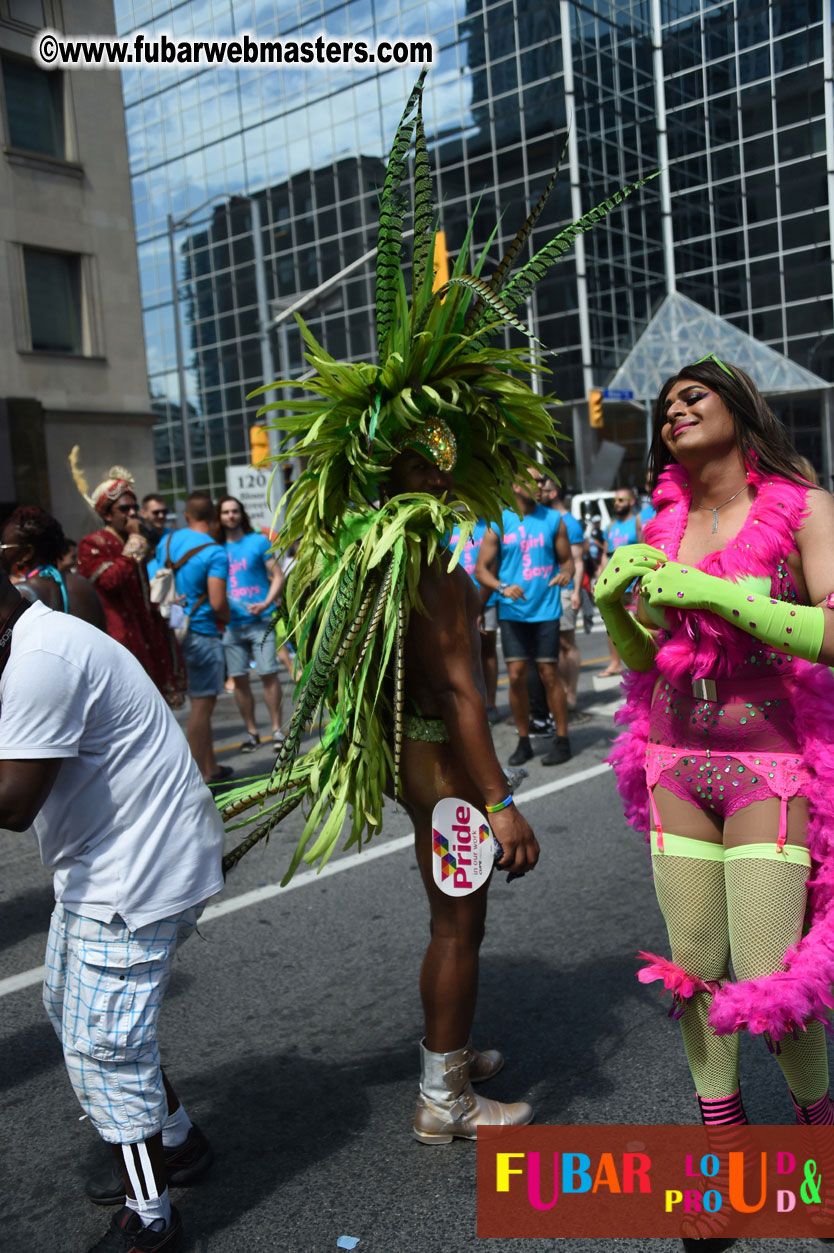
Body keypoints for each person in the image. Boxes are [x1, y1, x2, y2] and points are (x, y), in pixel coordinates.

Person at [597, 358, 834, 1151]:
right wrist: (613, 610)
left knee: (769, 976)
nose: (674, 411)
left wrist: (718, 593)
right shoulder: (664, 526)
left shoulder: (805, 508)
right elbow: (651, 658)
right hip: (675, 759)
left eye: (691, 396)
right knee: (693, 964)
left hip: (769, 764)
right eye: (665, 407)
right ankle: (724, 1143)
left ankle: (817, 1131)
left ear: (737, 406)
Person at [0, 567, 222, 1253]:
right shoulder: (30, 641)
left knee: (105, 1048)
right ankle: (177, 1142)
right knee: (71, 1010)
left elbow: (12, 802)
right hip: (106, 860)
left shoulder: (41, 660)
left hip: (136, 871)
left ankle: (150, 1218)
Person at [475, 469, 575, 768]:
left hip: (546, 609)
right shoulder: (499, 521)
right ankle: (524, 741)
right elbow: (481, 570)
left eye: (542, 480)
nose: (541, 485)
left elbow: (567, 561)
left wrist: (566, 574)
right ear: (516, 486)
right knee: (516, 675)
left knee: (548, 674)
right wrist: (502, 587)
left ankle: (562, 739)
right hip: (512, 611)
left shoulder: (553, 519)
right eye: (534, 480)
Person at [71, 458, 187, 707]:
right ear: (106, 514)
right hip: (119, 636)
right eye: (124, 509)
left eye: (134, 507)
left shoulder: (133, 540)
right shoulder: (93, 543)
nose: (132, 513)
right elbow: (111, 581)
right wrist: (135, 542)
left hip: (146, 631)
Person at [156, 491, 230, 785]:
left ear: (186, 515)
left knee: (200, 702)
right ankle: (199, 776)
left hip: (174, 628)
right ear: (213, 517)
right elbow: (217, 602)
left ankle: (211, 765)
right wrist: (229, 617)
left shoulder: (167, 542)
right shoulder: (214, 551)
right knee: (202, 704)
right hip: (202, 631)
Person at [212, 496, 286, 751]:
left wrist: (266, 602)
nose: (230, 516)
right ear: (219, 517)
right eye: (225, 512)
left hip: (260, 621)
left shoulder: (258, 541)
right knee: (239, 681)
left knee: (269, 674)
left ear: (241, 514)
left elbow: (278, 575)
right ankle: (251, 732)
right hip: (231, 625)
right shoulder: (216, 548)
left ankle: (277, 730)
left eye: (234, 511)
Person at [1, 505, 105, 629]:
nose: (2, 553)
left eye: (4, 547)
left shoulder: (17, 595)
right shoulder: (83, 585)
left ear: (28, 553)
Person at [542, 479, 587, 717]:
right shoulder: (544, 518)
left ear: (553, 493)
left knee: (567, 642)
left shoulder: (570, 523)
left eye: (543, 489)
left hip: (566, 590)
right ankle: (558, 693)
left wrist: (577, 591)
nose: (538, 492)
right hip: (547, 590)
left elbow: (577, 561)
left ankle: (571, 694)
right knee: (554, 644)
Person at [448, 515, 499, 721]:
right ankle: (470, 704)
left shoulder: (489, 526)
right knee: (462, 654)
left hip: (486, 599)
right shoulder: (446, 526)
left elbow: (493, 565)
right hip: (455, 602)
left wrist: (480, 606)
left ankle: (490, 704)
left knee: (487, 651)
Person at [598, 486, 644, 676]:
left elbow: (643, 549)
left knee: (640, 623)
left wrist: (641, 579)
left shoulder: (637, 522)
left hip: (632, 584)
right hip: (613, 584)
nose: (616, 504)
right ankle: (615, 663)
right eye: (615, 501)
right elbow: (605, 553)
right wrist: (601, 576)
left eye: (621, 500)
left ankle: (643, 662)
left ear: (631, 502)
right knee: (612, 625)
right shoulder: (610, 526)